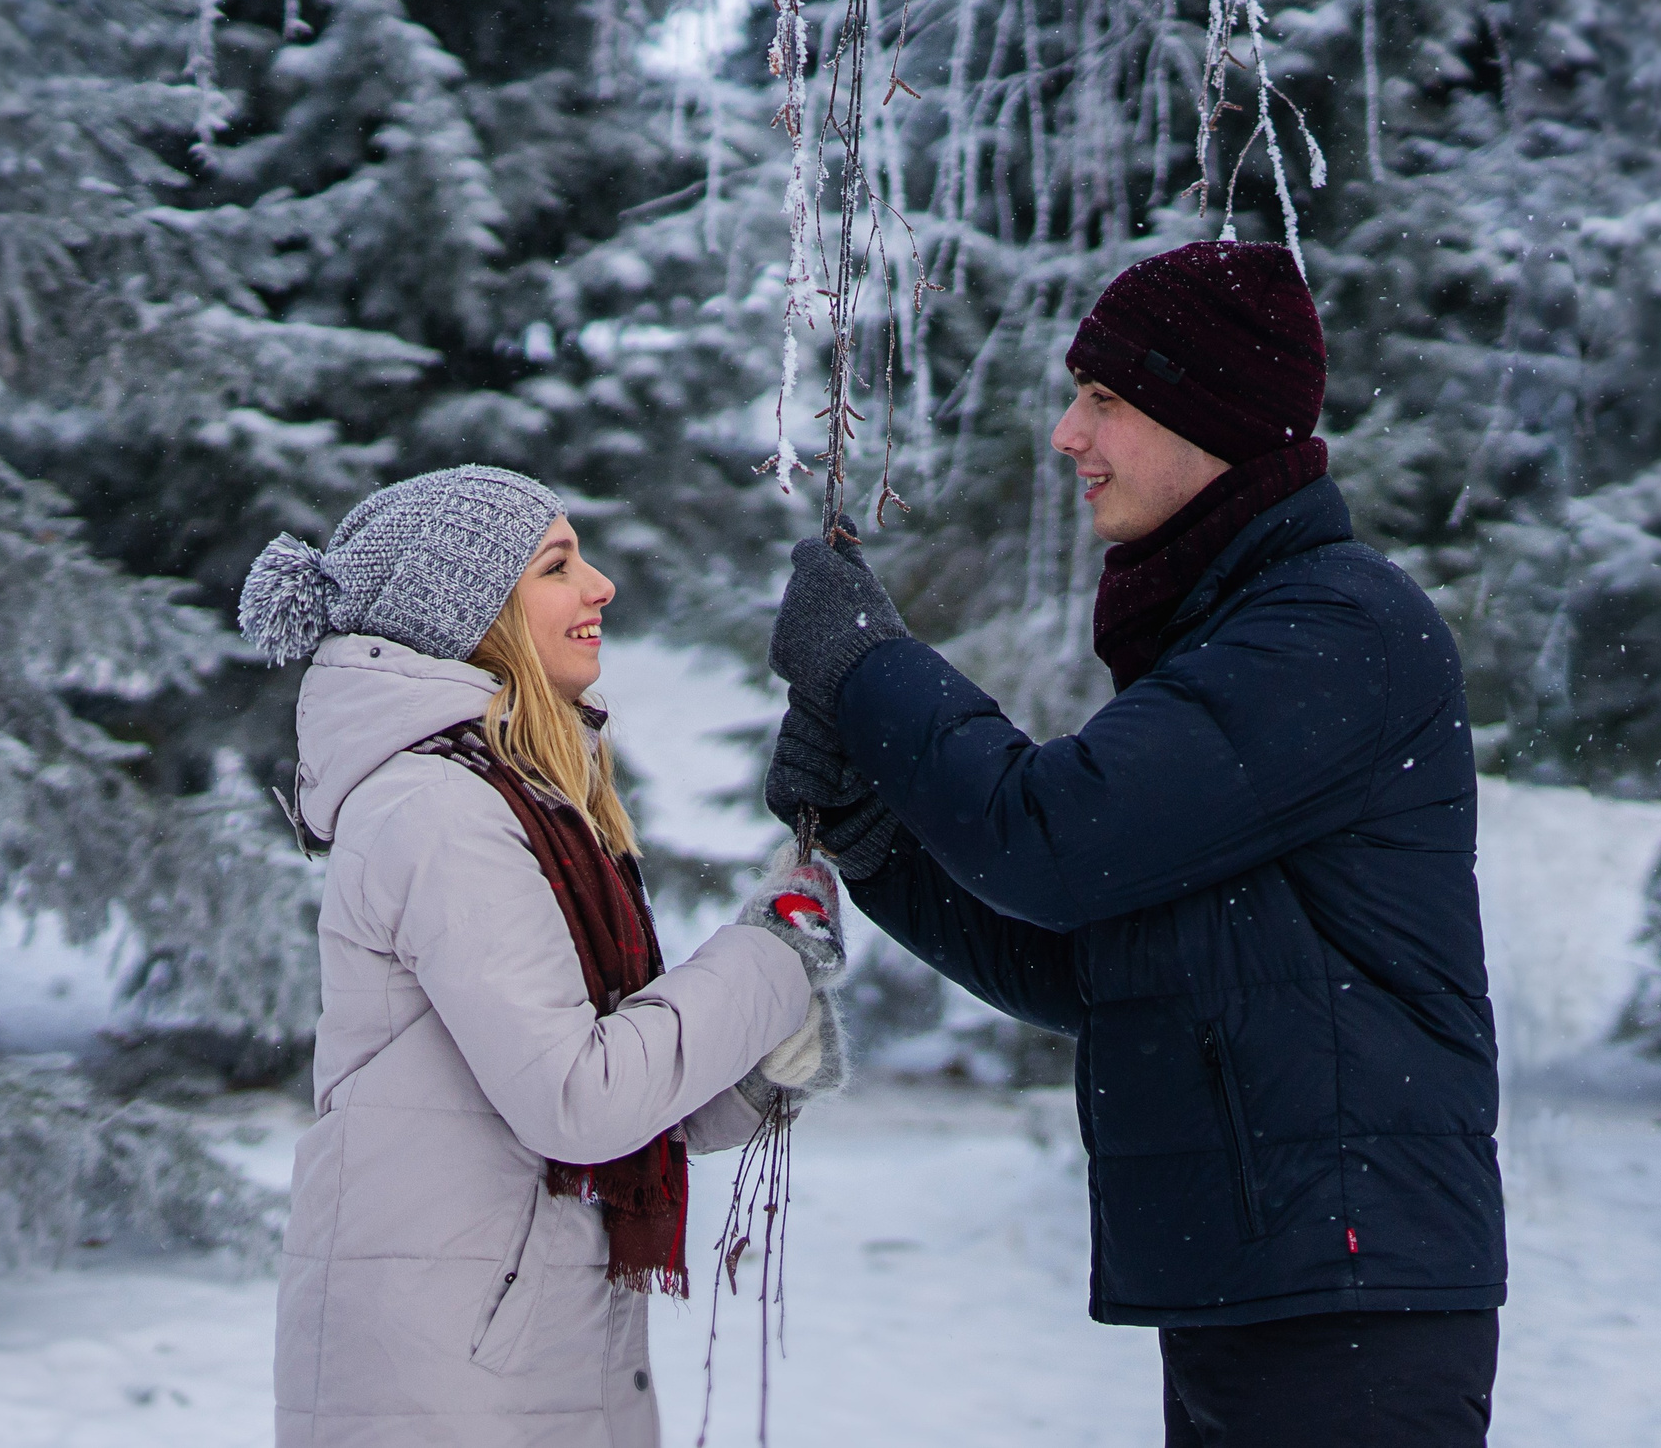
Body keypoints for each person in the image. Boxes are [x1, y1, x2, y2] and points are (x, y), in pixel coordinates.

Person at [763, 243, 1505, 1447]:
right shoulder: (1242, 636)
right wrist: (879, 840)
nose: (1068, 433)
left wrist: (872, 668)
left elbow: (1050, 840)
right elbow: (1102, 966)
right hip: (1271, 1279)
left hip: (1346, 1290)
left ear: (1205, 418)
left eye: (1105, 399)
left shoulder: (1331, 626)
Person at [242, 465, 846, 1448]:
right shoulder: (439, 810)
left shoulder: (523, 804)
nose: (599, 584)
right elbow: (579, 1094)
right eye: (556, 565)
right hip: (447, 1375)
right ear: (474, 612)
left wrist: (771, 1043)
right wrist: (767, 959)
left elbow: (624, 1098)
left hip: (516, 1345)